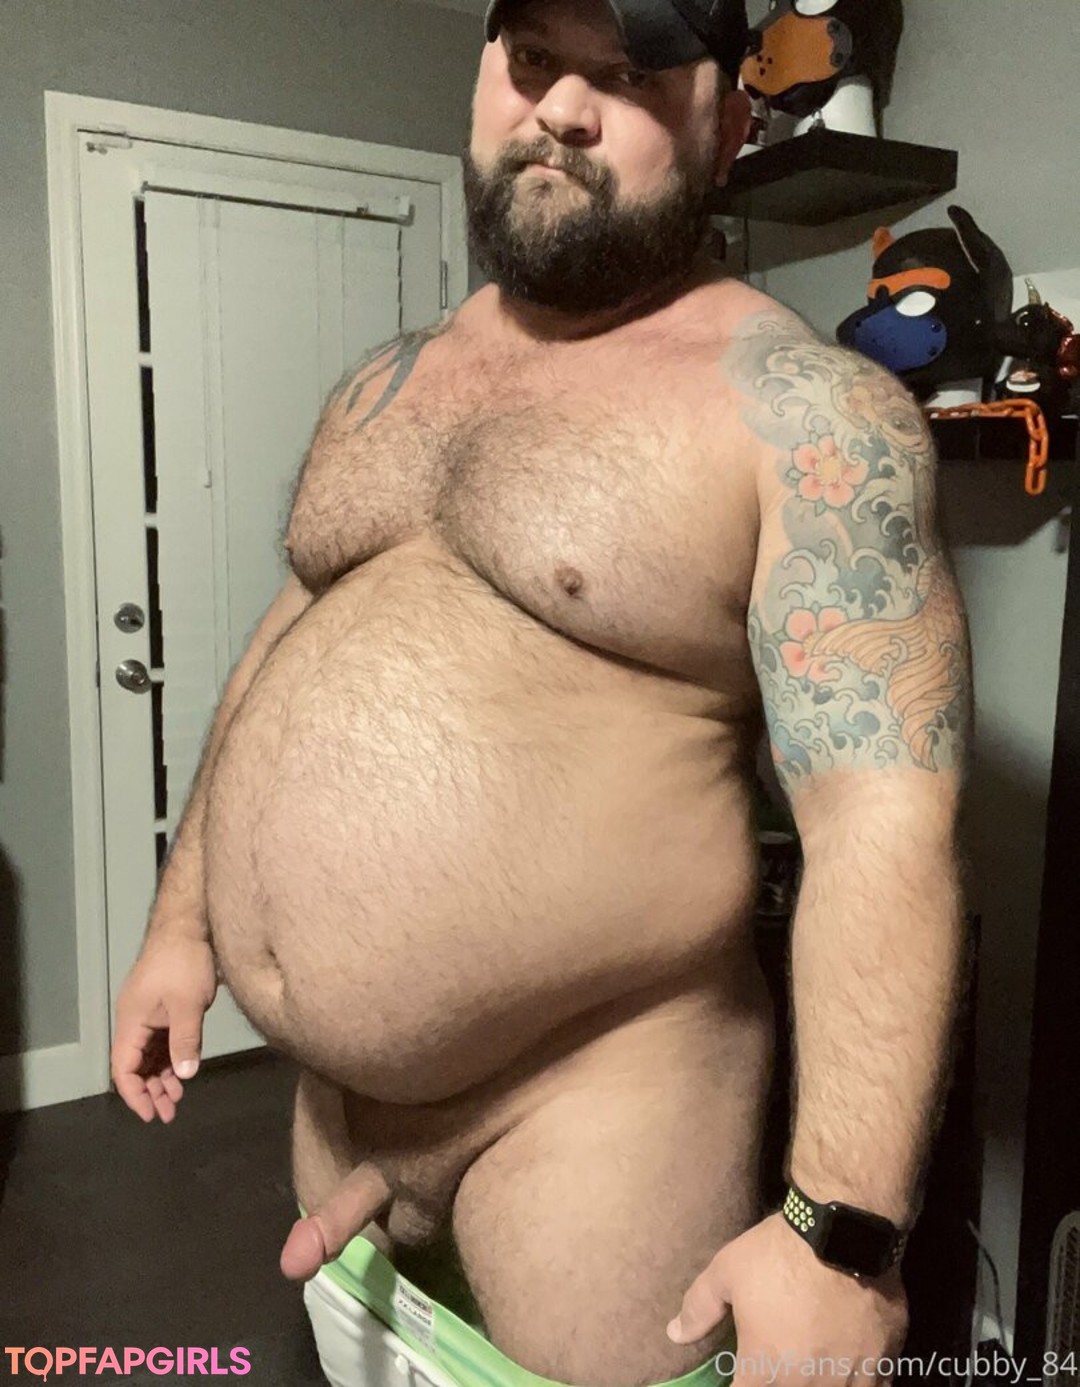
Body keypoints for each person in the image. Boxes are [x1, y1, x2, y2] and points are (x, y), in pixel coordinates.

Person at [111, 1, 973, 1385]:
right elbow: (293, 631)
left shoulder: (807, 416)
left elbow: (883, 821)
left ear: (728, 127)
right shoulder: (388, 385)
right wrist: (179, 925)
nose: (562, 111)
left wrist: (841, 1233)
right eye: (531, 62)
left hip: (600, 1116)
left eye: (628, 76)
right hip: (335, 1120)